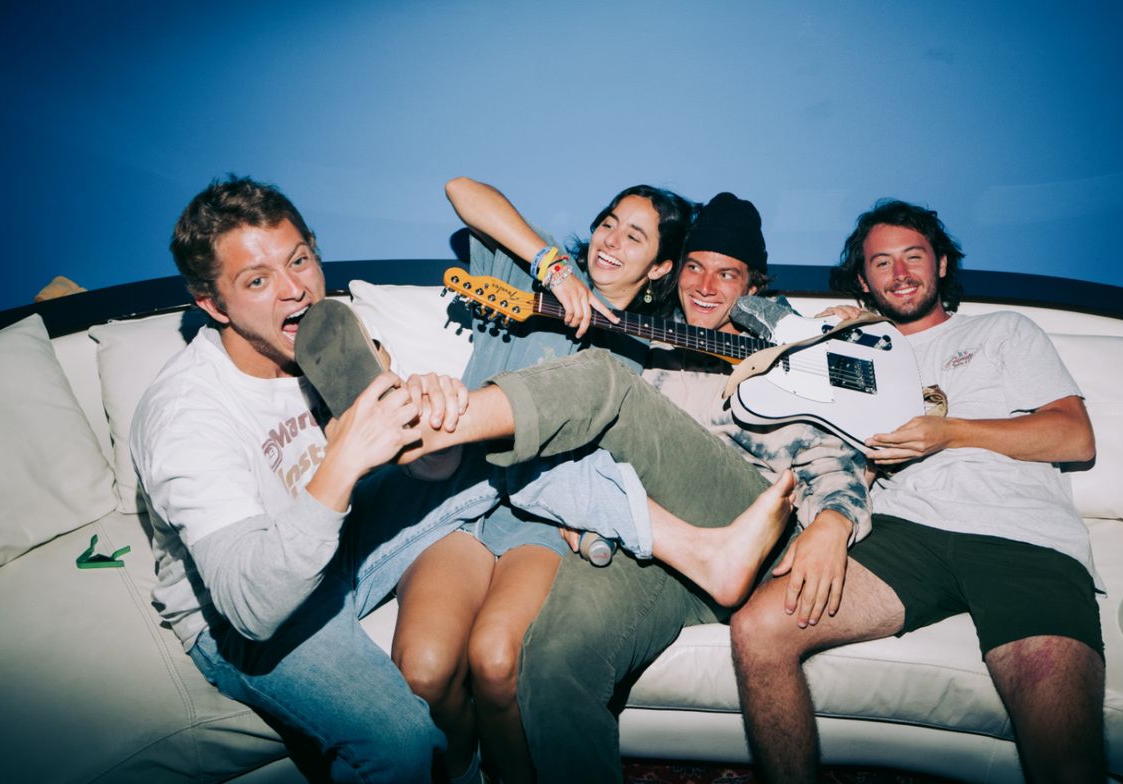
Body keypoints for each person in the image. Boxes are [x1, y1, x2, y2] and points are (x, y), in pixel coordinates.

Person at [133, 175, 786, 783]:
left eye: (299, 260)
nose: (293, 289)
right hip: (254, 608)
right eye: (256, 280)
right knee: (406, 734)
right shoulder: (187, 415)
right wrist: (349, 457)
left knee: (512, 438)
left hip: (354, 538)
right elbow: (254, 608)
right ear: (209, 302)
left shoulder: (328, 333)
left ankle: (696, 549)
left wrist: (432, 417)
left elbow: (437, 466)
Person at [729, 199, 1104, 784]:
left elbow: (1075, 438)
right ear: (863, 280)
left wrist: (950, 432)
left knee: (1066, 764)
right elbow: (834, 455)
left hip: (1021, 536)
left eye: (914, 257)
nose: (900, 273)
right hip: (906, 533)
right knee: (758, 629)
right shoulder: (851, 353)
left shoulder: (1003, 330)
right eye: (882, 263)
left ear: (942, 264)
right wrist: (832, 521)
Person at [512, 193, 872, 783]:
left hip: (748, 533)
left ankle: (473, 420)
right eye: (695, 267)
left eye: (726, 274)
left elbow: (838, 464)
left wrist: (835, 521)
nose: (705, 286)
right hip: (652, 544)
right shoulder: (649, 339)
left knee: (605, 386)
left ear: (753, 285)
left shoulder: (796, 356)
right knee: (552, 668)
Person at [391, 179, 694, 782]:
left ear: (660, 267)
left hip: (544, 520)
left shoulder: (650, 348)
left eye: (635, 237)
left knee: (497, 661)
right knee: (423, 673)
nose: (611, 240)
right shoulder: (537, 270)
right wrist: (553, 269)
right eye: (608, 223)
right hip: (461, 499)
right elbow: (461, 189)